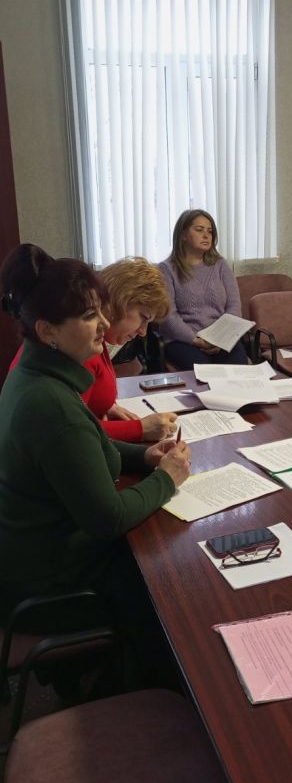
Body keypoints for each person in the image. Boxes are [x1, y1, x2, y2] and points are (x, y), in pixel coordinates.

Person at [0, 244, 191, 685]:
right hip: (48, 585)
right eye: (89, 316)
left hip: (27, 558)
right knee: (169, 585)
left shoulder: (35, 374)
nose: (104, 323)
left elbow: (87, 444)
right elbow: (109, 518)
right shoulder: (52, 404)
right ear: (48, 330)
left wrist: (143, 455)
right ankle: (144, 692)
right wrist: (166, 478)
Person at [10, 254, 177, 445]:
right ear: (122, 300)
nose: (143, 331)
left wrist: (105, 405)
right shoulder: (80, 348)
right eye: (143, 317)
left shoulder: (95, 340)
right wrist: (141, 428)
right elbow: (72, 429)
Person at [159, 210, 248, 369]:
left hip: (221, 339)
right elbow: (169, 316)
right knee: (205, 372)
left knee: (238, 369)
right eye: (199, 230)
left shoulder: (220, 264)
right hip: (183, 340)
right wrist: (195, 339)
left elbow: (234, 306)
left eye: (210, 231)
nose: (206, 235)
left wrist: (221, 339)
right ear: (183, 235)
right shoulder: (167, 269)